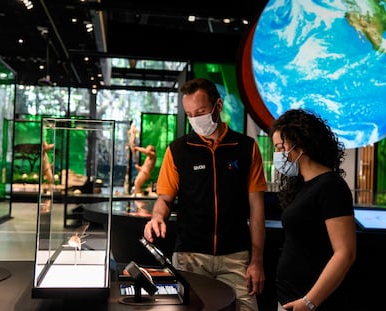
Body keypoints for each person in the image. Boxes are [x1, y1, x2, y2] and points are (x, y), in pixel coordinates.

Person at [144, 78, 267, 311]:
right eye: (189, 114)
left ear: (218, 106)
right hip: (190, 255)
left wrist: (257, 261)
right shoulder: (177, 150)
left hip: (236, 255)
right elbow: (165, 199)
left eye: (200, 112)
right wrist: (157, 216)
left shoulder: (246, 147)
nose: (194, 120)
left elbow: (257, 208)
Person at [269, 109, 356, 311]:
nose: (278, 155)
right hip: (290, 297)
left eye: (281, 147)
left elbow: (345, 252)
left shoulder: (331, 186)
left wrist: (309, 301)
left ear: (300, 145)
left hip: (310, 302)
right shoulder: (301, 186)